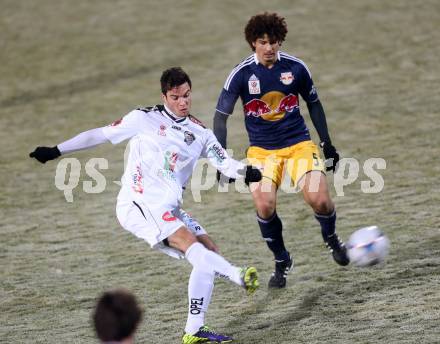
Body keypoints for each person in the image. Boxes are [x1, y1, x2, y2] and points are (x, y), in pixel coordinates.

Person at [30, 67, 262, 343]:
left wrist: (245, 171)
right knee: (192, 246)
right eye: (176, 97)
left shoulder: (200, 132)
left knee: (208, 249)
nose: (183, 102)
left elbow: (224, 162)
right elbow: (100, 135)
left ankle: (194, 330)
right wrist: (56, 150)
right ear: (164, 95)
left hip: (168, 207)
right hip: (138, 203)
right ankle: (236, 275)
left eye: (187, 95)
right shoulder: (143, 119)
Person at [213, 12, 349, 289]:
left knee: (320, 200)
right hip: (262, 152)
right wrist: (222, 160)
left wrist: (326, 143)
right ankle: (282, 260)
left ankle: (331, 238)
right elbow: (220, 117)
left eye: (274, 41)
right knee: (264, 206)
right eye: (263, 42)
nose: (270, 48)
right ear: (253, 43)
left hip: (298, 144)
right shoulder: (241, 75)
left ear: (280, 42)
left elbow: (314, 104)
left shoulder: (296, 68)